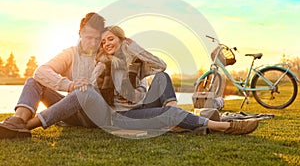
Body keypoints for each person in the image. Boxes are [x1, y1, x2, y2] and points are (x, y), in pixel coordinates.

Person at [88, 25, 259, 135]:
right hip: (123, 116)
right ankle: (225, 127)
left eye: (111, 39)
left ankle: (174, 122)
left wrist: (135, 48)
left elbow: (161, 66)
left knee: (163, 77)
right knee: (170, 113)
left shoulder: (133, 62)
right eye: (103, 42)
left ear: (121, 40)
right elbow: (91, 90)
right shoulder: (103, 65)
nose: (107, 44)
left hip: (139, 108)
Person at [0, 12, 108, 139]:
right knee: (34, 81)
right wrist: (69, 85)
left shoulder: (108, 54)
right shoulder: (70, 53)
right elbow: (41, 72)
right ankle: (17, 121)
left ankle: (27, 125)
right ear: (80, 33)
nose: (94, 43)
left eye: (97, 39)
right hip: (70, 112)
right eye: (89, 38)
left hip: (95, 115)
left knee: (84, 91)